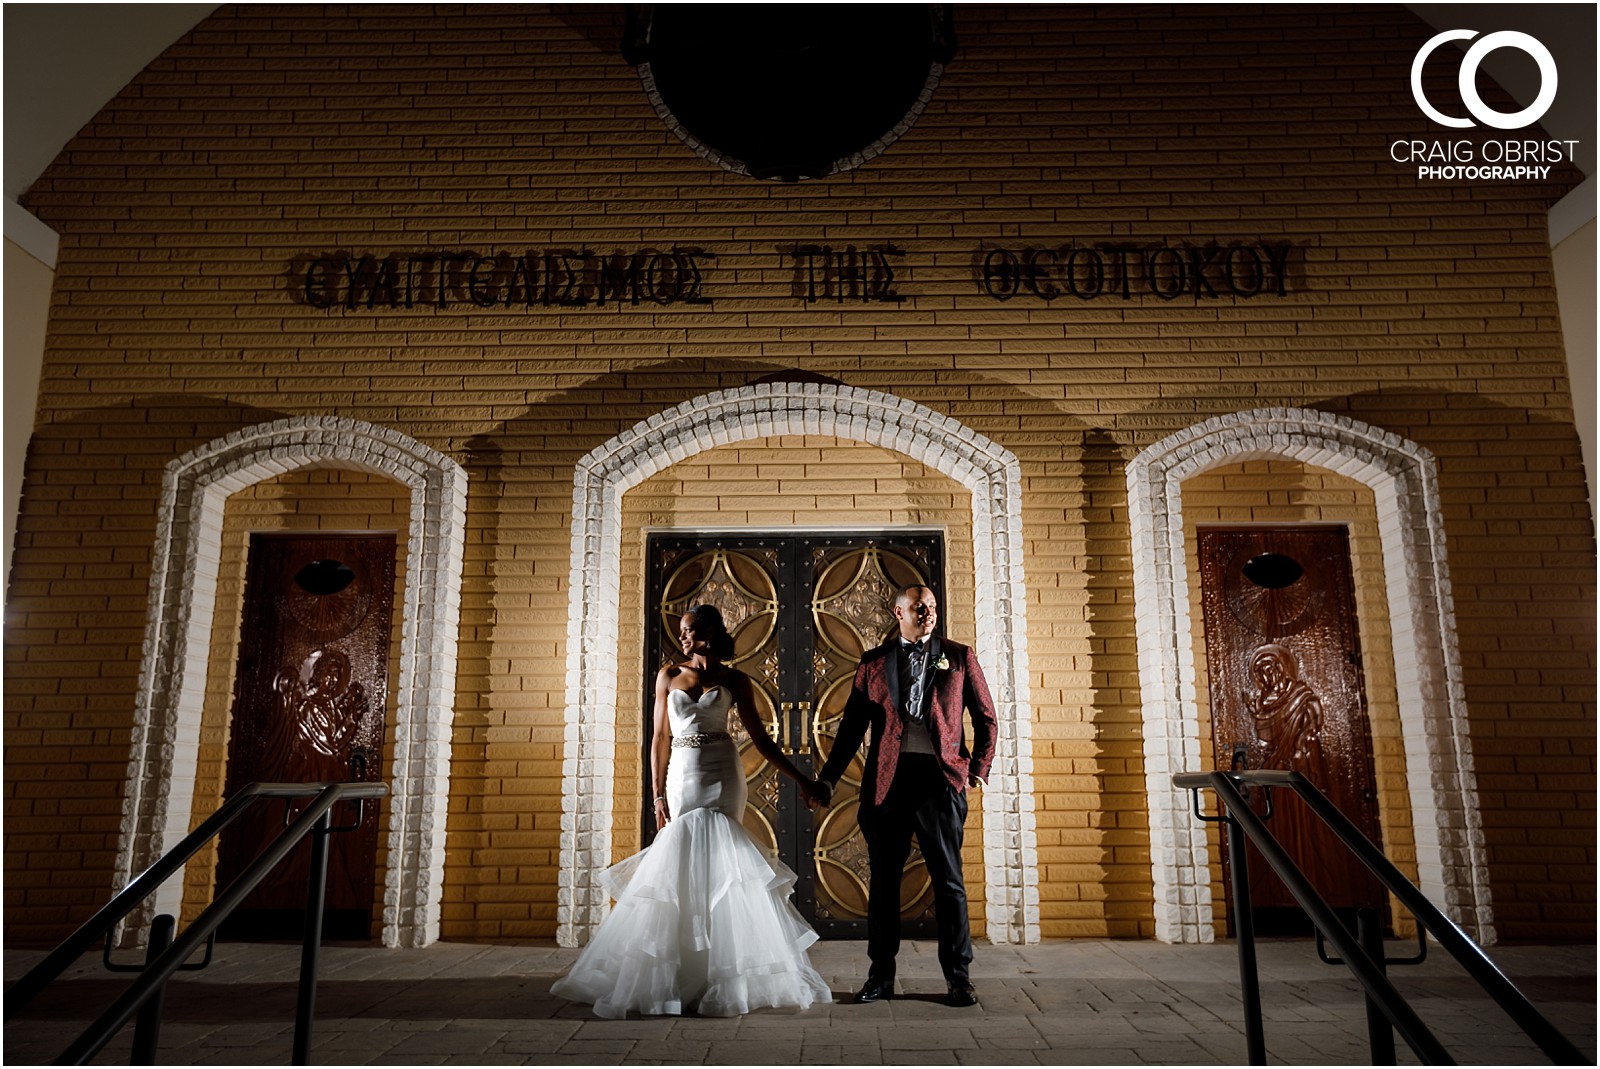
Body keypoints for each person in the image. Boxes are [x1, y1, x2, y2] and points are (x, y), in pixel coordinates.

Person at [551, 603, 833, 1018]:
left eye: (689, 630)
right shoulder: (668, 676)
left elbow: (762, 740)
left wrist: (803, 780)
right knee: (680, 861)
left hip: (724, 774)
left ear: (710, 632)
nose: (682, 638)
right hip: (683, 774)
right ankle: (678, 972)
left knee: (724, 863)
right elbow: (659, 739)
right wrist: (657, 797)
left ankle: (724, 976)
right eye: (681, 632)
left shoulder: (734, 680)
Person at [812, 584, 996, 1008]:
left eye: (931, 607)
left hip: (940, 781)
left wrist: (978, 769)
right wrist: (827, 779)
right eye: (918, 607)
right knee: (884, 886)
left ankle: (959, 977)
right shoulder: (873, 663)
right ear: (899, 613)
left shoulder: (960, 656)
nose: (928, 613)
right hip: (888, 785)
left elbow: (986, 717)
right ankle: (881, 977)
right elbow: (851, 730)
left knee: (949, 883)